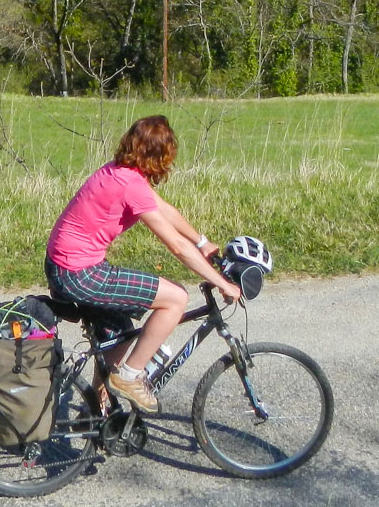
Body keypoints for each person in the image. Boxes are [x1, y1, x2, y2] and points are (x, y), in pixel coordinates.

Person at [45, 115, 240, 413]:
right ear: (159, 155)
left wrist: (203, 243)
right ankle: (131, 375)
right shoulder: (130, 185)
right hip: (80, 273)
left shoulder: (120, 171)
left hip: (66, 266)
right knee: (176, 299)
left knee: (119, 335)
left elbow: (166, 211)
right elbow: (175, 246)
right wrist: (221, 282)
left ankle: (98, 411)